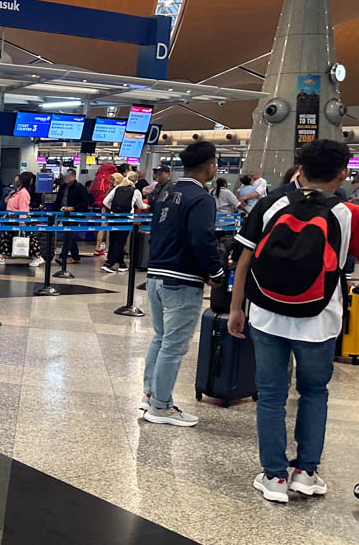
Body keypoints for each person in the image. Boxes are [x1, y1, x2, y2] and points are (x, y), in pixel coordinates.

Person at [229, 139, 359, 503]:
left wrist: (237, 308)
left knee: (271, 395)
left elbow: (244, 260)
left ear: (299, 170)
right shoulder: (348, 213)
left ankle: (274, 478)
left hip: (267, 315)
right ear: (342, 174)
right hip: (320, 317)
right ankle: (306, 472)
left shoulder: (271, 204)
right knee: (314, 392)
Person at [141, 141, 225, 427]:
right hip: (182, 279)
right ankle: (161, 406)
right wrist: (215, 271)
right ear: (209, 165)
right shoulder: (201, 198)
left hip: (155, 275)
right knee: (173, 345)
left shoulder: (167, 192)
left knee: (161, 337)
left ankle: (151, 394)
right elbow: (203, 238)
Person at [0, 172, 42, 266]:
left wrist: (22, 222)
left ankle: (37, 257)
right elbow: (7, 201)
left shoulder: (24, 193)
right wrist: (10, 195)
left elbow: (23, 209)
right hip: (11, 219)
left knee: (28, 239)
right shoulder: (17, 191)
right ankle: (1, 256)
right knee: (6, 238)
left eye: (19, 178)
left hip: (18, 220)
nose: (16, 180)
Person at [102, 172, 145, 273]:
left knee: (113, 240)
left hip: (113, 216)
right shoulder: (135, 191)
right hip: (126, 218)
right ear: (136, 181)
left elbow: (105, 202)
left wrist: (112, 210)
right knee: (120, 242)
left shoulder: (117, 188)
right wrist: (147, 206)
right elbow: (141, 205)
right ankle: (110, 264)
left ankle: (121, 263)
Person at [54, 168, 90, 265]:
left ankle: (63, 256)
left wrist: (73, 208)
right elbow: (58, 201)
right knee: (70, 235)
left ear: (73, 176)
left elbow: (85, 202)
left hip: (75, 215)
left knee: (69, 234)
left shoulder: (80, 188)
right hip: (63, 214)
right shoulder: (62, 187)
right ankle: (76, 256)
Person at [89, 163, 118, 255]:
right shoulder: (111, 178)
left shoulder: (97, 178)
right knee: (105, 225)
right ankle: (101, 248)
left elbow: (91, 190)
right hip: (107, 205)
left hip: (98, 203)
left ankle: (98, 247)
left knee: (102, 225)